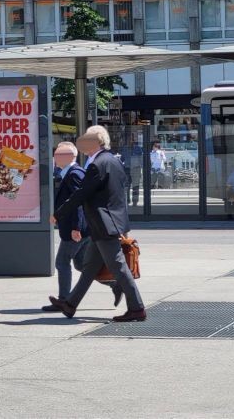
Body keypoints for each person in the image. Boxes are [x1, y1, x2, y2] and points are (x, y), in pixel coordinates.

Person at [49, 126, 146, 323]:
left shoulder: (97, 165)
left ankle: (137, 308)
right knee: (89, 268)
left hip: (104, 224)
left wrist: (59, 214)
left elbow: (81, 194)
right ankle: (70, 304)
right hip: (107, 223)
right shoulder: (113, 160)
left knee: (119, 267)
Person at [43, 141, 122, 312]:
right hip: (83, 229)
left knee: (61, 262)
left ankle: (64, 300)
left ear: (68, 157)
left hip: (77, 230)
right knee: (82, 265)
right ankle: (115, 284)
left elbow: (80, 202)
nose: (54, 158)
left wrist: (76, 227)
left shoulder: (74, 174)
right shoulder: (67, 173)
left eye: (58, 155)